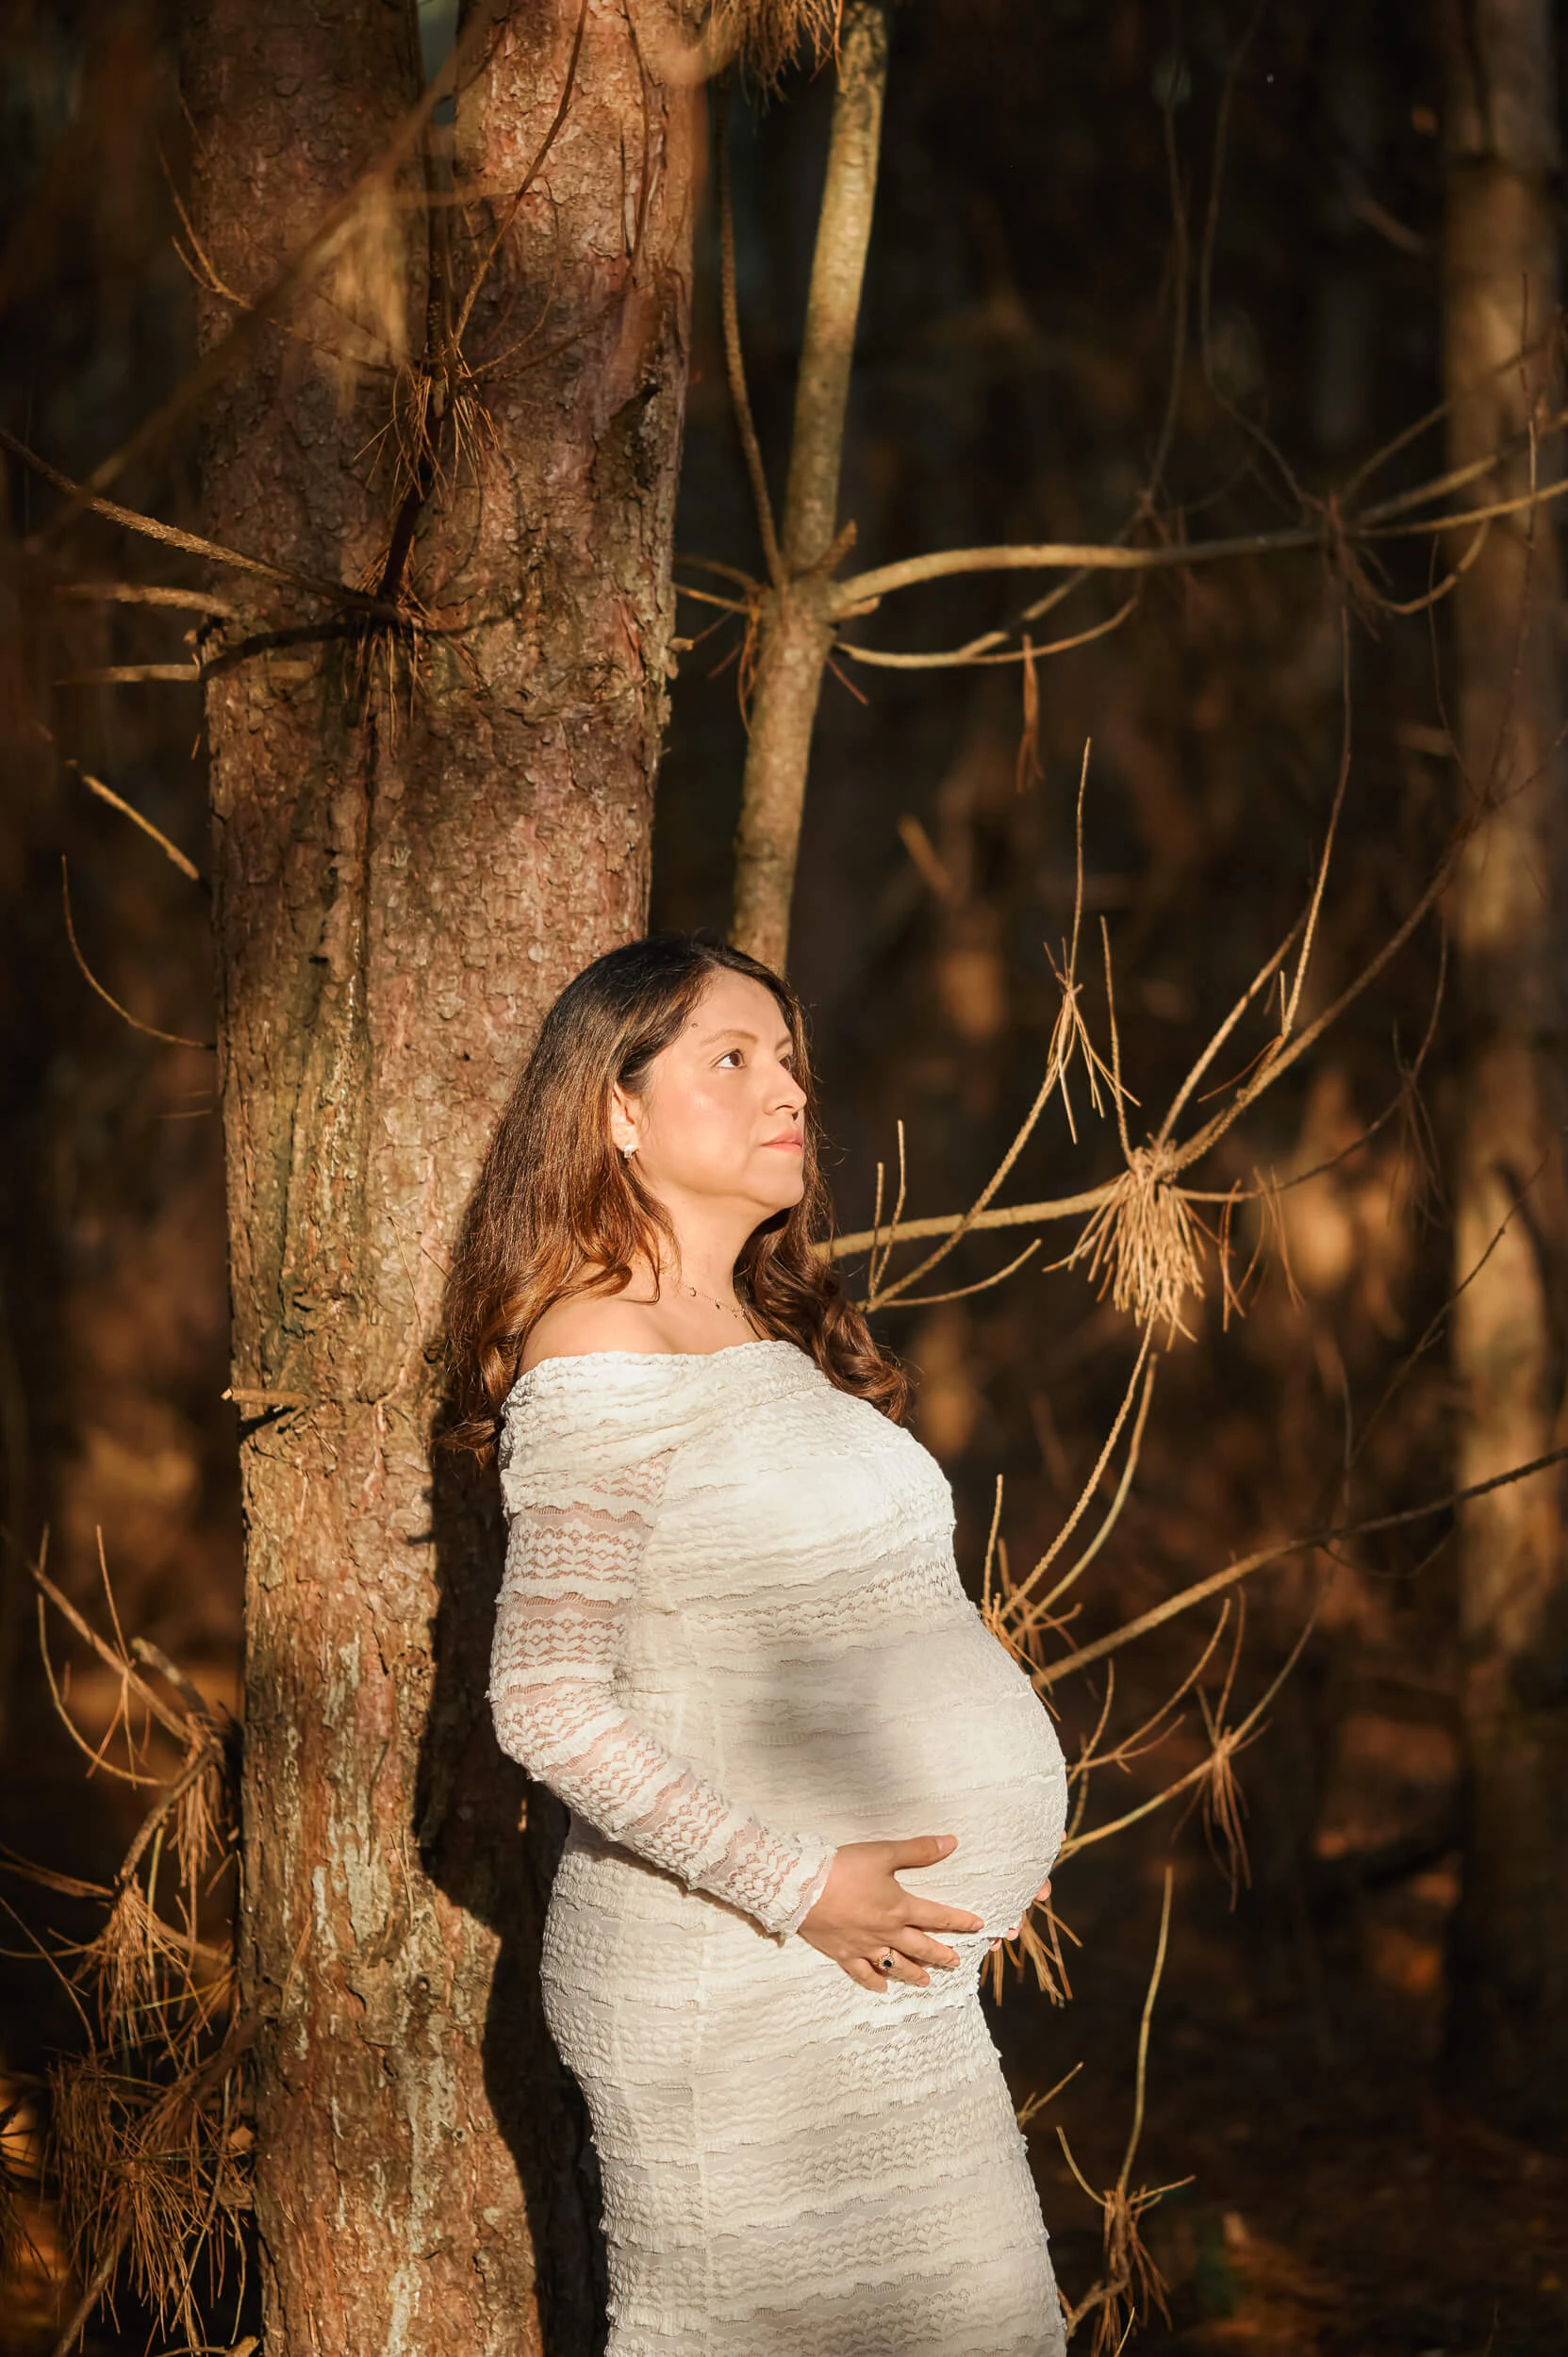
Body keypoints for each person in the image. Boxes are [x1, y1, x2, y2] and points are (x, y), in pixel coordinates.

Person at [446, 934, 1067, 2356]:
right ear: (616, 1110)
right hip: (739, 1981)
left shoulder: (763, 1333)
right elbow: (544, 1701)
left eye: (786, 1057)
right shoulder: (597, 1350)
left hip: (870, 1980)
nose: (787, 1088)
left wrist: (966, 1848)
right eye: (730, 1059)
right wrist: (804, 1887)